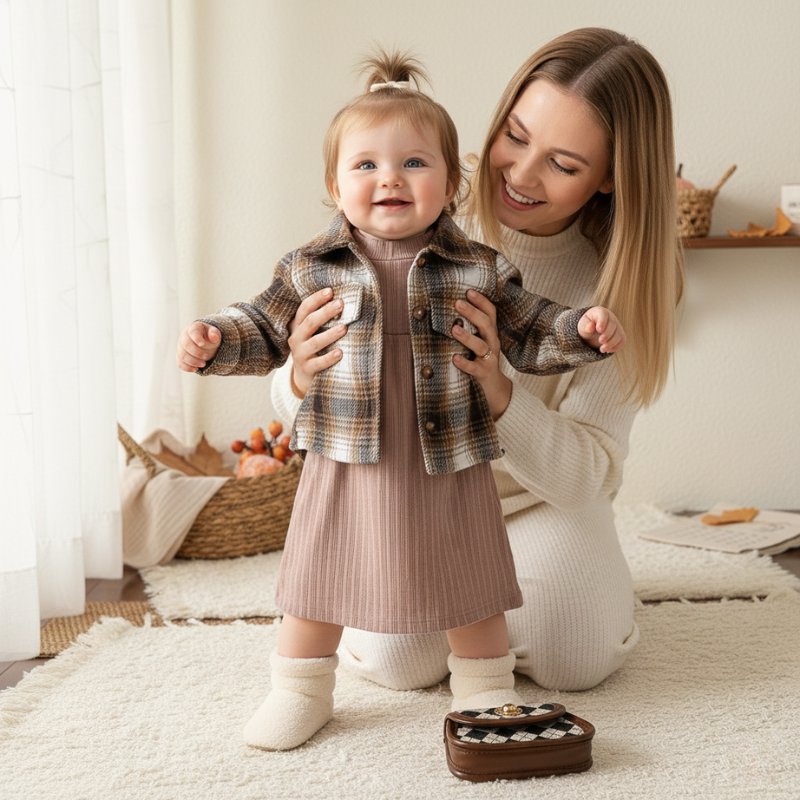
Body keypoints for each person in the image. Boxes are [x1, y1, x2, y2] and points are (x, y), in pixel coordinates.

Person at [177, 50, 625, 751]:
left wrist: (582, 331)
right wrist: (215, 340)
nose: (389, 178)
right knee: (321, 576)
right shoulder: (310, 267)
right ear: (334, 185)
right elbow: (264, 326)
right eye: (365, 165)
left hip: (450, 457)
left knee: (469, 573)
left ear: (452, 184)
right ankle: (300, 690)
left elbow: (533, 327)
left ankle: (487, 691)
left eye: (415, 163)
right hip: (347, 458)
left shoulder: (478, 266)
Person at [271, 28, 682, 696]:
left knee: (576, 655)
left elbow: (587, 476)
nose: (521, 175)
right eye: (516, 137)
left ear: (609, 177)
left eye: (564, 165)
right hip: (403, 493)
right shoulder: (412, 206)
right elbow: (291, 389)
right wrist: (298, 374)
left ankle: (555, 595)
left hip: (541, 501)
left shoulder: (622, 284)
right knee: (398, 663)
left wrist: (498, 391)